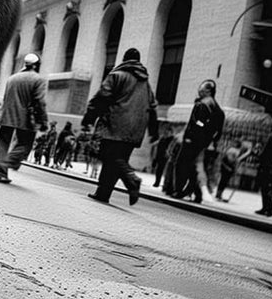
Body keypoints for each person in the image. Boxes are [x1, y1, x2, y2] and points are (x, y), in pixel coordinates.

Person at [81, 46, 159, 206]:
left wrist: (89, 118)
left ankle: (131, 179)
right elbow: (152, 107)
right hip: (135, 129)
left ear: (124, 59)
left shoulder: (117, 75)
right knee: (118, 159)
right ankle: (103, 193)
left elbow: (102, 97)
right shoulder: (145, 82)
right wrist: (153, 131)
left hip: (115, 125)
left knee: (108, 156)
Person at [0, 54, 48, 183]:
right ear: (36, 65)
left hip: (6, 115)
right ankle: (8, 162)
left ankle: (0, 173)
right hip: (25, 118)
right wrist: (43, 121)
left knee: (3, 143)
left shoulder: (12, 78)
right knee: (25, 145)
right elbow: (40, 102)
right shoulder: (38, 79)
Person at [171, 79, 225, 203]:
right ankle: (196, 193)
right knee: (196, 167)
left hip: (192, 141)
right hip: (205, 144)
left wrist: (191, 138)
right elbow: (219, 131)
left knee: (182, 165)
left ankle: (178, 190)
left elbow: (197, 124)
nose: (199, 91)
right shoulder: (219, 111)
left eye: (201, 89)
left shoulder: (202, 105)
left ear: (208, 91)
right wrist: (209, 141)